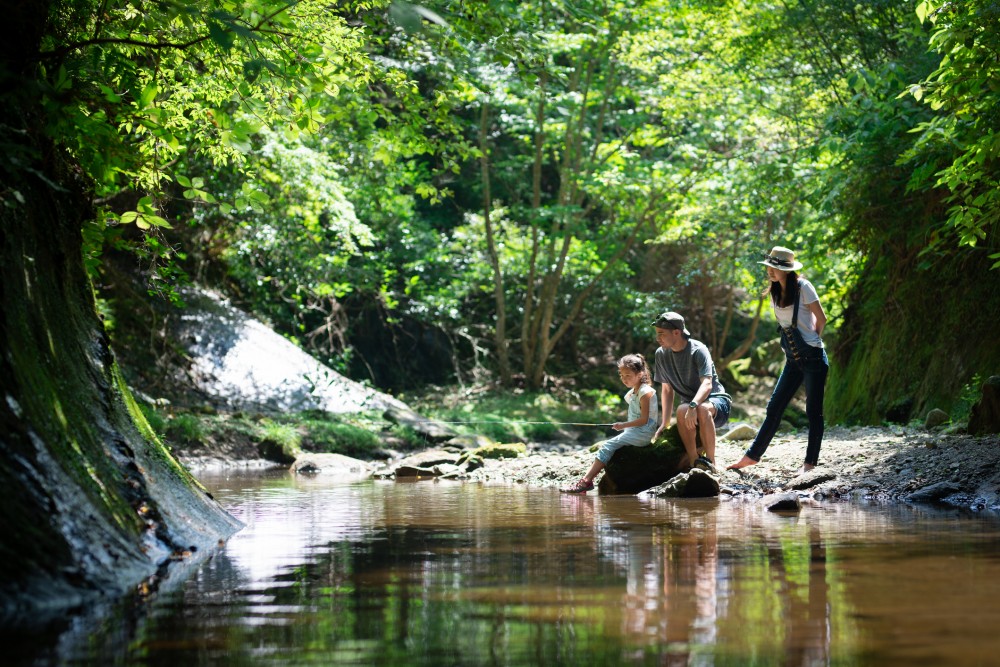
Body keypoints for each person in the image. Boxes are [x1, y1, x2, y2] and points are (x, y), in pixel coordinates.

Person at [728, 246, 829, 473]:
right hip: (792, 360)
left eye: (775, 268)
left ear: (788, 270)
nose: (770, 272)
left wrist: (813, 340)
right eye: (769, 268)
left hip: (813, 357)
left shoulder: (804, 288)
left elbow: (821, 319)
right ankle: (752, 456)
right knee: (774, 407)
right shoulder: (774, 291)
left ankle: (810, 464)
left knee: (813, 412)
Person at [562, 354, 658, 493]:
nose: (624, 379)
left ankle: (586, 482)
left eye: (628, 375)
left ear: (640, 374)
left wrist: (623, 425)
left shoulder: (645, 392)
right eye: (622, 375)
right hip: (635, 431)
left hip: (644, 433)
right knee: (610, 445)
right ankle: (586, 481)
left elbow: (644, 420)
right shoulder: (632, 392)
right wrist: (625, 427)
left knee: (607, 445)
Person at [652, 311, 731, 472]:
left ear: (676, 332)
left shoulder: (698, 349)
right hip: (689, 406)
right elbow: (666, 389)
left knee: (701, 409)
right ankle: (694, 461)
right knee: (681, 409)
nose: (657, 338)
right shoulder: (661, 354)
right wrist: (665, 423)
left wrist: (693, 405)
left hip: (716, 401)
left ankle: (711, 462)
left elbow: (707, 384)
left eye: (661, 334)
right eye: (657, 334)